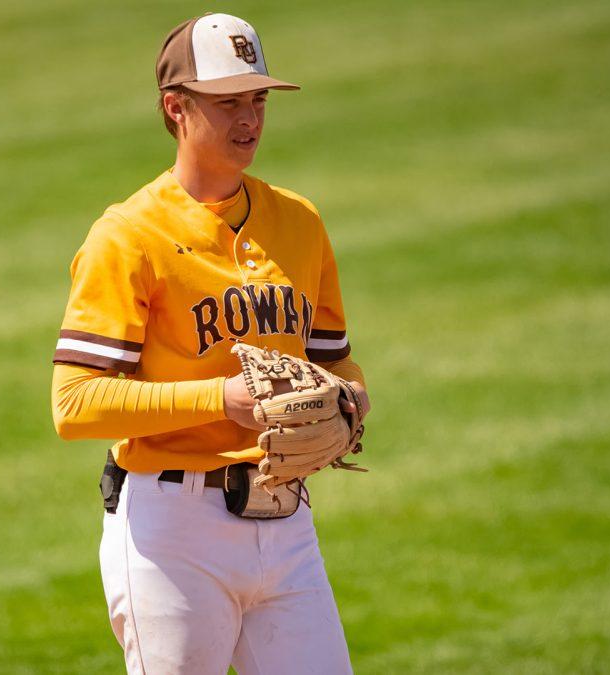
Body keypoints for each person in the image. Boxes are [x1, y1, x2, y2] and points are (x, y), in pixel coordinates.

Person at [50, 12, 370, 674]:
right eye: (227, 102)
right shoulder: (127, 236)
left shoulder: (300, 223)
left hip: (286, 524)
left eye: (257, 99)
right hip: (173, 533)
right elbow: (75, 403)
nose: (249, 118)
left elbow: (334, 357)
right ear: (177, 108)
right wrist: (223, 399)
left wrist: (353, 397)